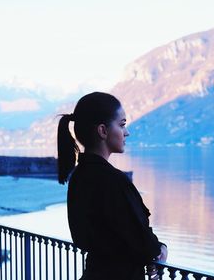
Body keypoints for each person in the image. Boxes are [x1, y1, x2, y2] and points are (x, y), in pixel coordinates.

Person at [57, 92, 168, 280]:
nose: (127, 132)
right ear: (103, 131)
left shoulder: (79, 176)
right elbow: (142, 241)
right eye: (122, 124)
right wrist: (161, 249)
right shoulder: (112, 181)